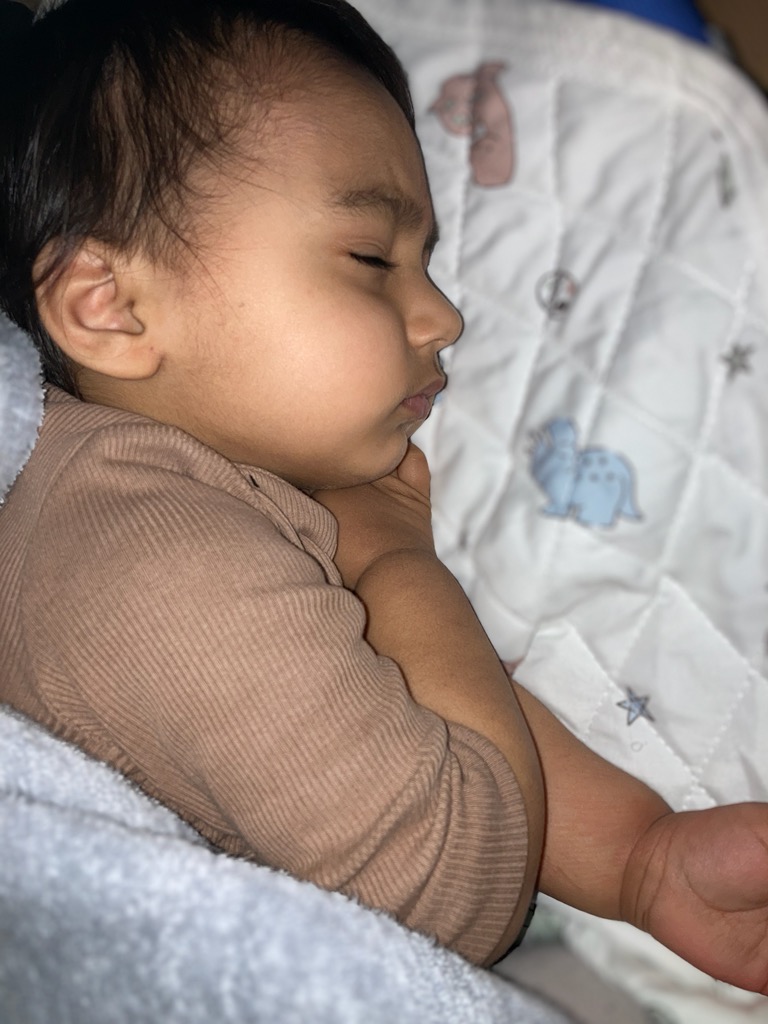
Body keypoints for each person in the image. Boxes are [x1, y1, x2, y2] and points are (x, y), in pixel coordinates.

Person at [0, 0, 766, 993]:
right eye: (372, 259)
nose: (444, 317)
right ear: (108, 309)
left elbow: (413, 723)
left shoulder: (166, 502)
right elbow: (445, 884)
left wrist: (638, 858)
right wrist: (396, 558)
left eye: (428, 263)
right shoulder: (147, 558)